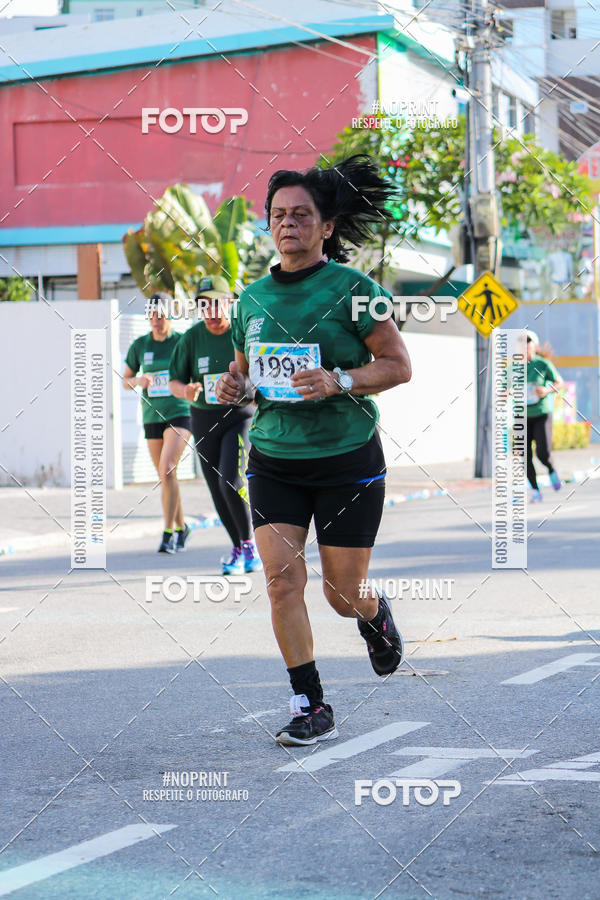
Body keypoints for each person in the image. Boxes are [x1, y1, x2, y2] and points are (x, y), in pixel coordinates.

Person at [216, 155, 412, 746]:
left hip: (346, 458)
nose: (289, 224)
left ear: (327, 226)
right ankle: (310, 703)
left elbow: (398, 365)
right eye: (279, 215)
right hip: (275, 458)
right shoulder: (249, 298)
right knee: (281, 581)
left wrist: (340, 380)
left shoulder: (357, 291)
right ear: (268, 225)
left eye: (302, 214)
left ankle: (375, 618)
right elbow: (246, 373)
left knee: (341, 593)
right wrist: (233, 386)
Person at [169, 275, 262, 575]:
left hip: (239, 417)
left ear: (230, 303)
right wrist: (184, 391)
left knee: (231, 482)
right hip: (203, 418)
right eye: (203, 305)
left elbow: (260, 375)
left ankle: (250, 545)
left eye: (216, 304)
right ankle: (237, 547)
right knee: (215, 488)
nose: (210, 311)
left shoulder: (242, 333)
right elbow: (174, 380)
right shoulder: (192, 337)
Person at [123, 294, 192, 553]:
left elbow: (193, 371)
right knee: (166, 476)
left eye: (160, 315)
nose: (156, 320)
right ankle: (182, 526)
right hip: (152, 415)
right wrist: (138, 381)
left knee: (168, 467)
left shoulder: (182, 342)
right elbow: (125, 380)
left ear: (171, 315)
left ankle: (168, 534)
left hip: (180, 412)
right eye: (151, 315)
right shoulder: (140, 345)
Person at [526, 329, 563, 502]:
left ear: (535, 345)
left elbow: (559, 382)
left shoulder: (542, 365)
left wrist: (546, 390)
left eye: (528, 341)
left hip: (541, 413)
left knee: (542, 453)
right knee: (523, 456)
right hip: (522, 416)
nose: (524, 345)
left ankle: (551, 469)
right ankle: (535, 491)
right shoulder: (513, 368)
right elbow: (504, 387)